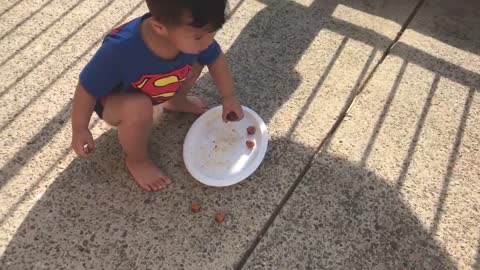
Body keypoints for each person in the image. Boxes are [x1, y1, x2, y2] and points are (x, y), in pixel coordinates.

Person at [71, 0, 244, 192]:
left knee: (199, 57)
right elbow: (88, 87)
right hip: (118, 103)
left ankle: (176, 100)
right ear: (159, 28)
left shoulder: (193, 37)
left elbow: (215, 58)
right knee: (138, 107)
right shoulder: (120, 50)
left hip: (160, 87)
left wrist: (228, 97)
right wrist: (80, 127)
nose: (209, 41)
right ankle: (137, 160)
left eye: (213, 32)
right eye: (199, 36)